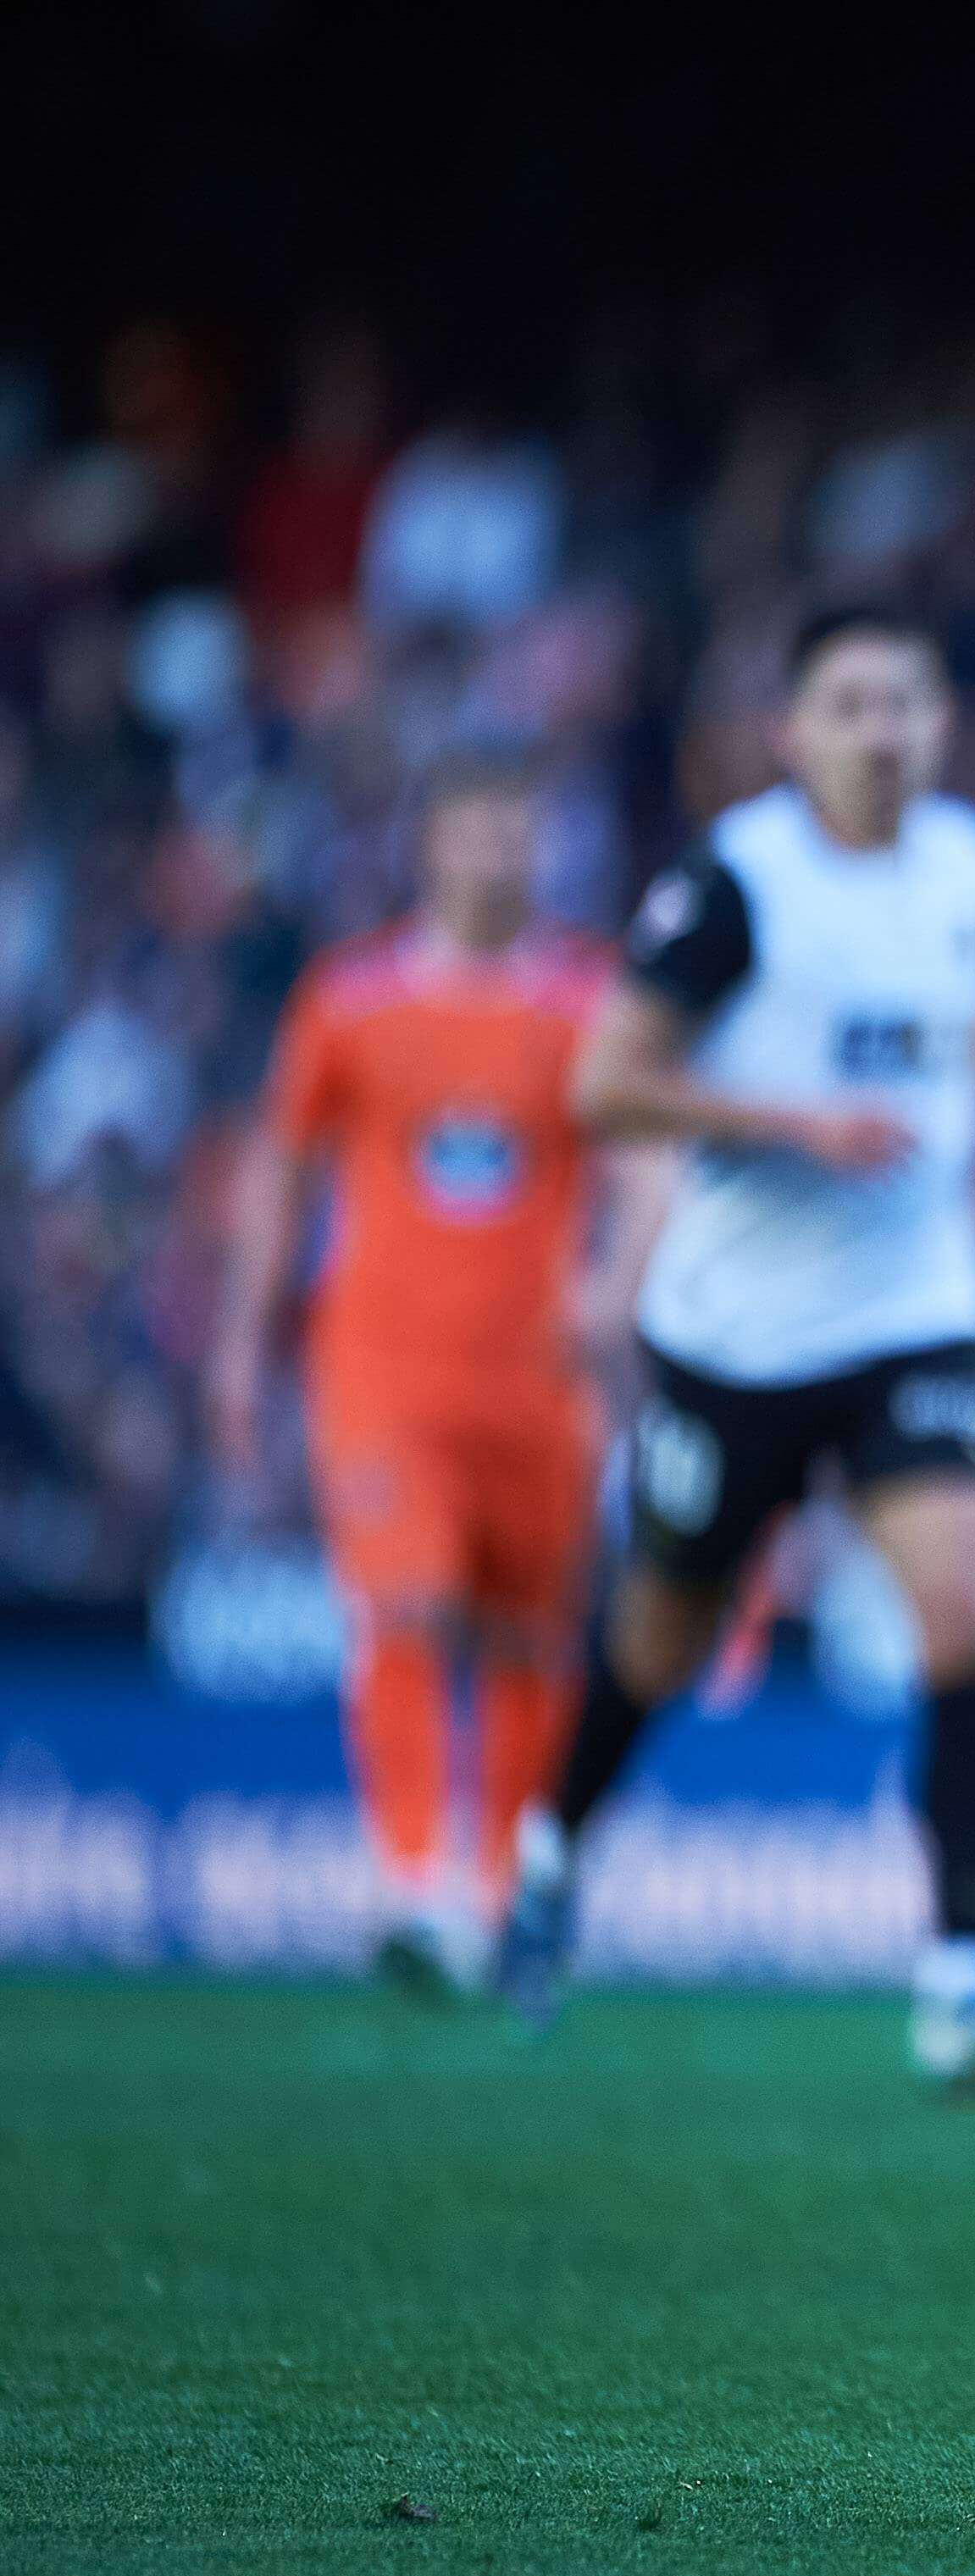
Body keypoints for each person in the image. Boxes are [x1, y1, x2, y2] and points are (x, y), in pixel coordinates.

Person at [495, 604, 975, 2086]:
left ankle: (961, 1976)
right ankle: (547, 1857)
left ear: (941, 720)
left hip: (913, 1315)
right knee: (662, 1636)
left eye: (905, 701)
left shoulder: (968, 858)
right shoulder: (737, 888)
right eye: (849, 703)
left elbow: (961, 1004)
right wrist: (792, 1128)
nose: (882, 730)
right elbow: (604, 1087)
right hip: (738, 1338)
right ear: (795, 732)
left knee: (960, 1611)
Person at [206, 754, 635, 1992]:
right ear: (430, 847)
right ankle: (409, 1880)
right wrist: (245, 1339)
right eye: (475, 831)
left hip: (537, 1376)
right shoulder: (351, 1001)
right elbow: (283, 1166)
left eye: (517, 830)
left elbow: (647, 1161)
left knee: (522, 1639)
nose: (497, 854)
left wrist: (615, 1290)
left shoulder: (587, 1002)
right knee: (404, 1602)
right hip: (382, 1365)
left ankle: (499, 1897)